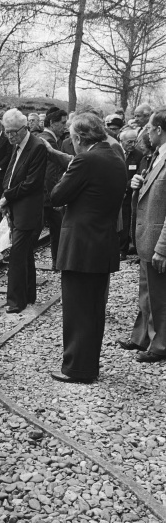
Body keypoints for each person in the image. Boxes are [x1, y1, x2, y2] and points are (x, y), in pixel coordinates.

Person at [50, 112, 127, 383]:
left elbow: (58, 195)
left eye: (72, 139)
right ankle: (88, 366)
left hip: (80, 247)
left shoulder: (85, 160)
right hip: (102, 244)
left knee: (77, 310)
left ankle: (76, 369)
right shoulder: (116, 157)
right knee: (94, 310)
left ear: (80, 138)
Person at [120, 108, 166, 363]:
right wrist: (138, 184)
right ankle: (141, 337)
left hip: (157, 239)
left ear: (159, 129)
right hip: (147, 237)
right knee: (147, 292)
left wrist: (163, 247)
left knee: (160, 296)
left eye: (149, 128)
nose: (146, 132)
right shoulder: (156, 156)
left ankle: (160, 345)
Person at [0, 108, 47, 314]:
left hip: (29, 210)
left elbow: (32, 183)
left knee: (17, 255)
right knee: (25, 253)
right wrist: (6, 196)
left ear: (25, 128)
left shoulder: (37, 147)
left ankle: (16, 301)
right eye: (7, 132)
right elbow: (12, 174)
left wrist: (8, 196)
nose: (9, 136)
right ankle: (28, 295)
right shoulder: (17, 145)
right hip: (18, 208)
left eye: (13, 132)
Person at [38, 108, 68, 270]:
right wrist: (55, 196)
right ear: (51, 123)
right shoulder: (50, 140)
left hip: (42, 195)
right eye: (62, 123)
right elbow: (50, 173)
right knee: (57, 230)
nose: (65, 126)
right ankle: (57, 262)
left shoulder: (42, 138)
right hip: (48, 197)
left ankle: (57, 262)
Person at [118, 129, 143, 259]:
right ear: (121, 141)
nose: (132, 144)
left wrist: (125, 187)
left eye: (135, 141)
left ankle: (123, 249)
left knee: (126, 220)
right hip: (113, 191)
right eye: (129, 142)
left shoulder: (139, 155)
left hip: (128, 193)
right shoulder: (114, 151)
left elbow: (139, 173)